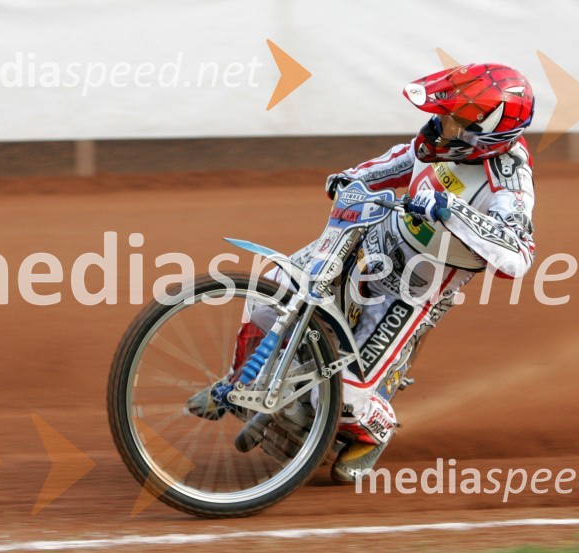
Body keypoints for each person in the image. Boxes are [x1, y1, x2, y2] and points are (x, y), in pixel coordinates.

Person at [189, 62, 537, 484]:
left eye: (454, 121)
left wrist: (452, 210)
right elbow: (403, 159)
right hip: (366, 238)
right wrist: (352, 178)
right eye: (445, 114)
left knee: (343, 397)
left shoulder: (509, 182)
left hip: (410, 290)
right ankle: (238, 383)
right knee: (270, 298)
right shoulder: (441, 143)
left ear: (483, 136)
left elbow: (518, 253)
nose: (440, 125)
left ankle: (375, 428)